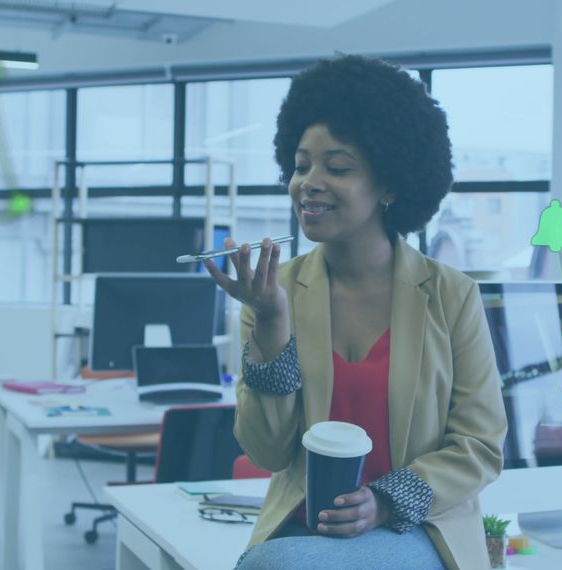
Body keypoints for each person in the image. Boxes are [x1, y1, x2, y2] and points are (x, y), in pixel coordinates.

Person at [204, 54, 507, 570]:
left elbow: (480, 446)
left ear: (390, 185)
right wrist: (272, 324)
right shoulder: (272, 292)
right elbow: (268, 454)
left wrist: (384, 500)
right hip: (302, 528)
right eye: (301, 166)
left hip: (415, 526)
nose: (309, 182)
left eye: (337, 167)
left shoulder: (451, 295)